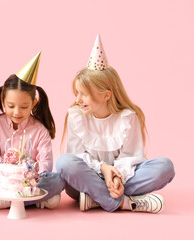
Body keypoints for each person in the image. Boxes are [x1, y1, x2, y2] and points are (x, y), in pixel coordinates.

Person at [56, 34, 175, 213]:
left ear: (106, 95)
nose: (78, 100)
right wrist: (103, 168)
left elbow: (131, 155)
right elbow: (77, 155)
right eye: (76, 93)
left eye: (84, 94)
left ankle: (96, 199)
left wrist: (118, 177)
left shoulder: (128, 117)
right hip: (87, 178)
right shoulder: (76, 116)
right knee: (65, 162)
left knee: (165, 167)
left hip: (123, 178)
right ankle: (123, 203)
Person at [0, 52, 65, 212]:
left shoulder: (40, 130)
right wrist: (10, 172)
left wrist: (25, 173)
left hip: (29, 182)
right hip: (2, 178)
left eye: (24, 107)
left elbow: (45, 166)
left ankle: (1, 202)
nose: (17, 112)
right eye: (10, 106)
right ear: (2, 100)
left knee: (58, 180)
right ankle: (37, 201)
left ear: (34, 103)